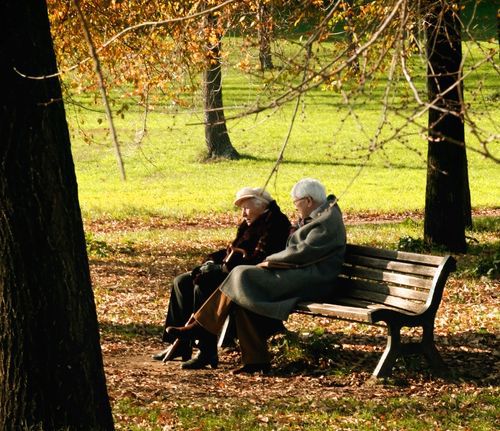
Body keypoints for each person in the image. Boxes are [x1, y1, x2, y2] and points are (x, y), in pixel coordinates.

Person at [166, 178, 347, 374]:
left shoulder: (327, 221)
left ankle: (202, 326)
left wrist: (269, 260)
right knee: (244, 294)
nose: (295, 208)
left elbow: (303, 252)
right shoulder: (318, 215)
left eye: (296, 203)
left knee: (241, 274)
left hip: (314, 280)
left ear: (308, 201)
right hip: (301, 273)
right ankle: (255, 361)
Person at [153, 186, 291, 368]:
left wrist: (222, 268)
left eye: (246, 208)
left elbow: (259, 258)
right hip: (233, 270)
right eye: (241, 209)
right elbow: (233, 250)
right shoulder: (251, 222)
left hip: (249, 278)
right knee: (181, 281)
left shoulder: (275, 223)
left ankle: (206, 350)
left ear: (261, 205)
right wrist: (210, 261)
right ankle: (178, 344)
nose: (243, 214)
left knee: (203, 284)